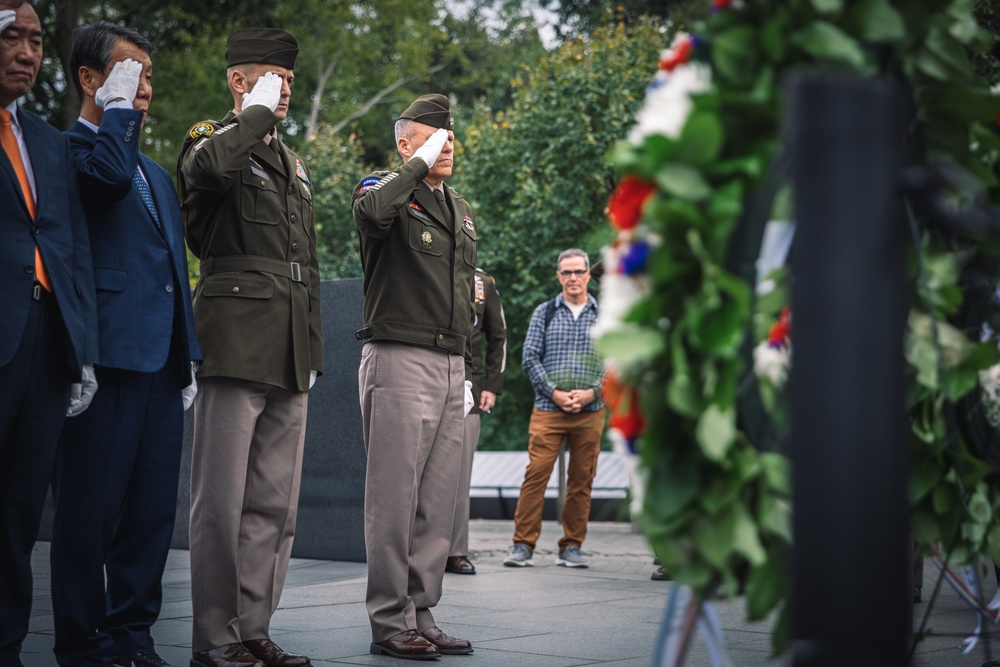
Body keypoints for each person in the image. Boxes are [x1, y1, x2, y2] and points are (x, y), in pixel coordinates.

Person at [48, 22, 202, 667]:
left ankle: (133, 637)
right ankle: (83, 645)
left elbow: (172, 266)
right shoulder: (67, 154)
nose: (144, 86)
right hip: (104, 360)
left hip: (162, 366)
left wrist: (189, 352)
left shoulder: (155, 172)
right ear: (90, 79)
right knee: (90, 515)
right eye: (128, 72)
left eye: (146, 74)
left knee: (148, 518)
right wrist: (115, 113)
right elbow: (104, 183)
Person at [177, 27, 322, 667]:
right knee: (221, 503)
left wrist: (311, 351)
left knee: (273, 503)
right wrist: (255, 112)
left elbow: (304, 264)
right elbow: (206, 175)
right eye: (273, 79)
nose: (286, 90)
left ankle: (254, 628)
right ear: (240, 81)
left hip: (290, 349)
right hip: (235, 342)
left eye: (290, 81)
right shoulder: (212, 141)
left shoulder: (290, 161)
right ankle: (215, 637)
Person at [353, 93, 478, 660]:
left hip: (451, 365)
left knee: (436, 502)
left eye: (450, 137)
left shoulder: (460, 208)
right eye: (433, 136)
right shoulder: (381, 189)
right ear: (406, 143)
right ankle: (388, 620)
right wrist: (417, 166)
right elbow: (373, 216)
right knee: (394, 499)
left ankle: (421, 610)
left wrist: (468, 369)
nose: (446, 144)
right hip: (400, 359)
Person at [0, 2, 99, 666]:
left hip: (43, 345)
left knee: (16, 515)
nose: (28, 51)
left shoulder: (45, 139)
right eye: (12, 36)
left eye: (36, 40)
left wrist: (82, 348)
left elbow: (69, 245)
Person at [504, 248, 606, 569]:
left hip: (591, 410)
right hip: (549, 408)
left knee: (582, 479)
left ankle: (572, 545)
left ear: (589, 274)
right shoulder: (543, 312)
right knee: (536, 475)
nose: (573, 278)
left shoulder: (606, 316)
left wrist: (592, 392)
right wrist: (555, 392)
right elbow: (530, 357)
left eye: (578, 271)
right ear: (558, 276)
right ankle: (523, 545)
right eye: (567, 272)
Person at [446, 267, 506, 576]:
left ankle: (456, 551)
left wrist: (492, 387)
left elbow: (499, 337)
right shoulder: (429, 265)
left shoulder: (483, 282)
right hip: (426, 381)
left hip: (470, 390)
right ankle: (417, 551)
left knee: (459, 476)